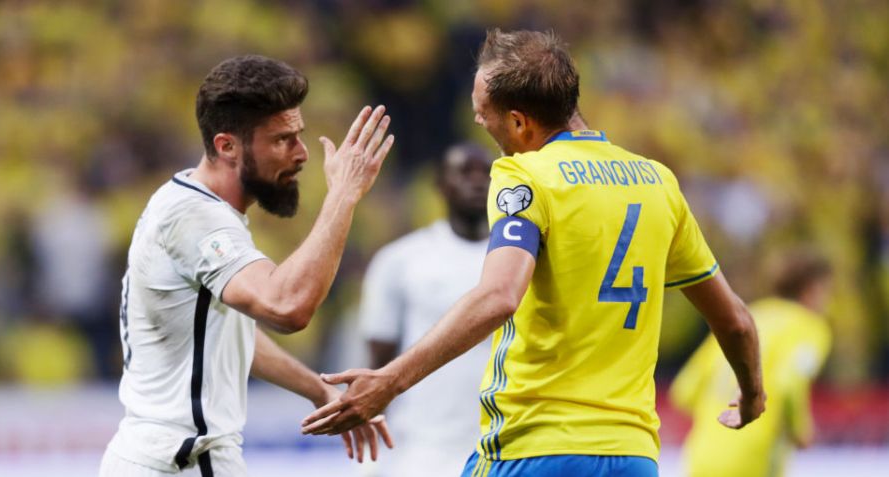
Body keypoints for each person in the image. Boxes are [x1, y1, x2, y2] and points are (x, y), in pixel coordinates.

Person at [302, 29, 766, 477]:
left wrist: (390, 381)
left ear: (519, 122)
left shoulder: (525, 175)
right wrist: (751, 394)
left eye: (483, 115)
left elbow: (500, 296)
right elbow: (736, 321)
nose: (481, 124)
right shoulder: (658, 183)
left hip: (534, 447)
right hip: (633, 455)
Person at [100, 55, 394, 477]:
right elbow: (288, 307)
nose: (302, 154)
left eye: (299, 135)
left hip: (157, 457)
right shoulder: (196, 219)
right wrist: (343, 195)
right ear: (227, 146)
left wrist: (319, 390)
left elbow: (229, 333)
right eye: (282, 140)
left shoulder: (191, 202)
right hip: (183, 461)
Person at [359, 143, 493, 476]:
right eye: (465, 172)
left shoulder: (522, 262)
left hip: (504, 442)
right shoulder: (400, 260)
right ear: (441, 185)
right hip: (422, 448)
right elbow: (378, 362)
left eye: (487, 174)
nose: (478, 182)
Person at [671, 251, 833, 477]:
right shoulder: (808, 327)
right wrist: (800, 431)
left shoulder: (746, 319)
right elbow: (789, 384)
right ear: (811, 290)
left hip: (702, 457)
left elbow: (683, 391)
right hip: (754, 460)